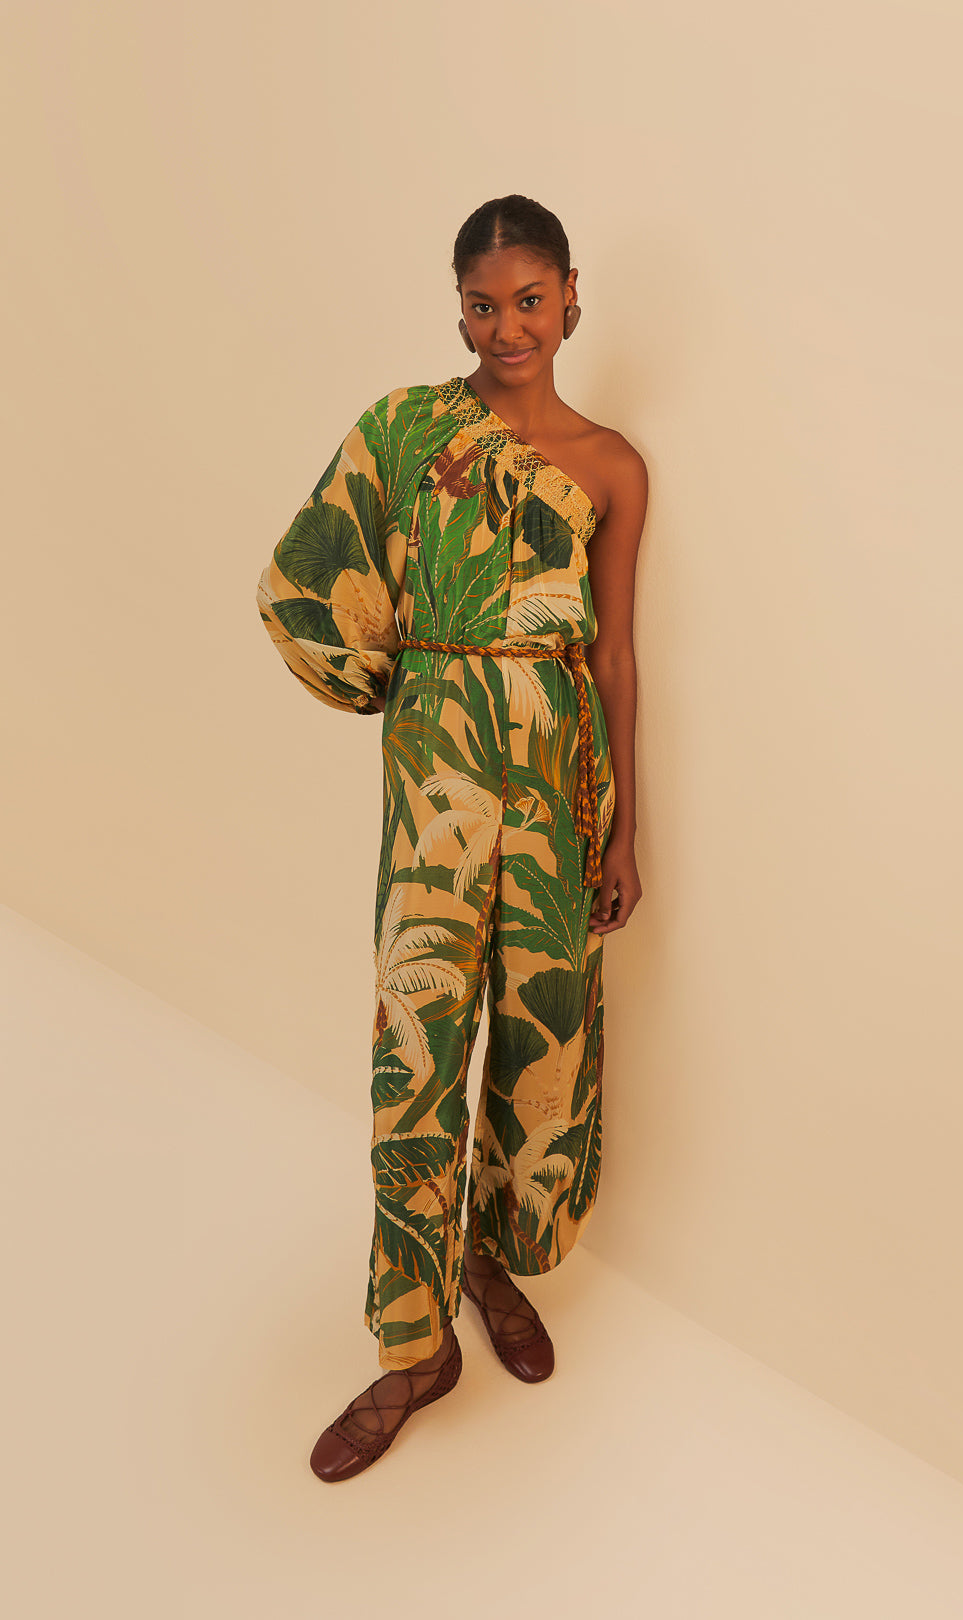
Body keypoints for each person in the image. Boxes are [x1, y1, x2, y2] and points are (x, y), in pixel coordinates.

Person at [255, 194, 647, 1481]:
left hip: (559, 772)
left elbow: (615, 657)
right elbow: (303, 578)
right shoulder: (406, 430)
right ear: (459, 310)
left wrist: (623, 830)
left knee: (543, 1027)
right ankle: (412, 1349)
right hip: (438, 768)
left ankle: (489, 1254)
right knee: (418, 1039)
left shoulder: (611, 467)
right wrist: (402, 685)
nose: (508, 326)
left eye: (530, 300)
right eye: (484, 304)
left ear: (571, 297)